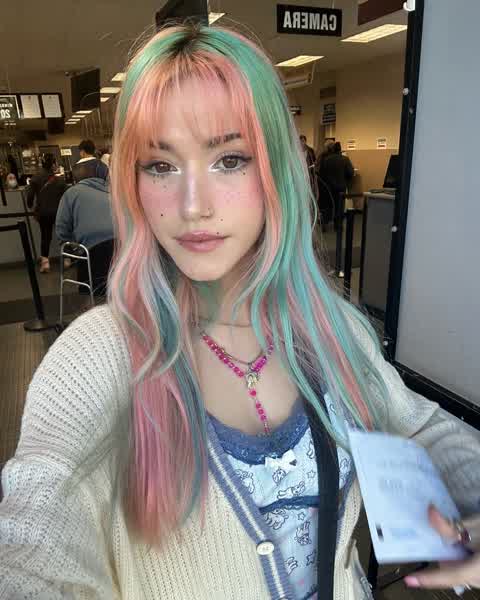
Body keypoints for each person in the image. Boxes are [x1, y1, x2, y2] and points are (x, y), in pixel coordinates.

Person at [0, 24, 479, 599]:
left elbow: (419, 426)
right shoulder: (100, 353)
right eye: (161, 166)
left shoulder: (331, 328)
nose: (193, 206)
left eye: (229, 159)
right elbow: (38, 528)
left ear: (275, 168)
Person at [56, 159, 113, 249]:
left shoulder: (71, 193)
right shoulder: (115, 191)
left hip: (90, 250)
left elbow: (62, 230)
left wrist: (72, 248)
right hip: (123, 247)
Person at [26, 153, 67, 273]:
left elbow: (30, 196)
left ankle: (45, 263)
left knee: (45, 236)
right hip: (58, 212)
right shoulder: (60, 180)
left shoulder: (35, 178)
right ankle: (67, 259)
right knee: (62, 235)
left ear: (41, 163)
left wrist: (30, 206)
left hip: (43, 213)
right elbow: (66, 196)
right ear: (53, 164)